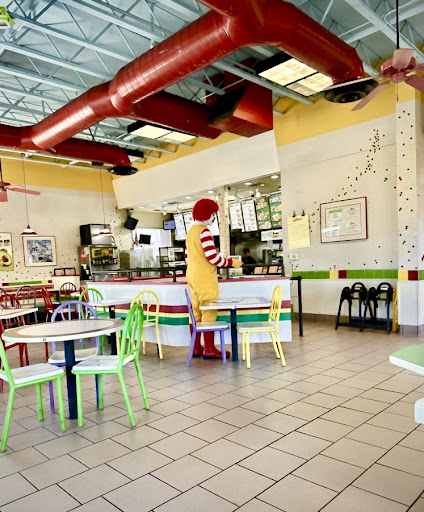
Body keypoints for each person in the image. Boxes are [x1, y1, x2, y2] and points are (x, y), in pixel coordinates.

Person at [185, 198, 243, 359]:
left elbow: (187, 256)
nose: (213, 218)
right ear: (206, 214)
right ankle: (209, 349)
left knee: (195, 312)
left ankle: (196, 348)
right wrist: (231, 262)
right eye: (212, 214)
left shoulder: (190, 232)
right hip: (205, 277)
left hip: (191, 274)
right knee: (208, 310)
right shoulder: (204, 231)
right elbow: (212, 257)